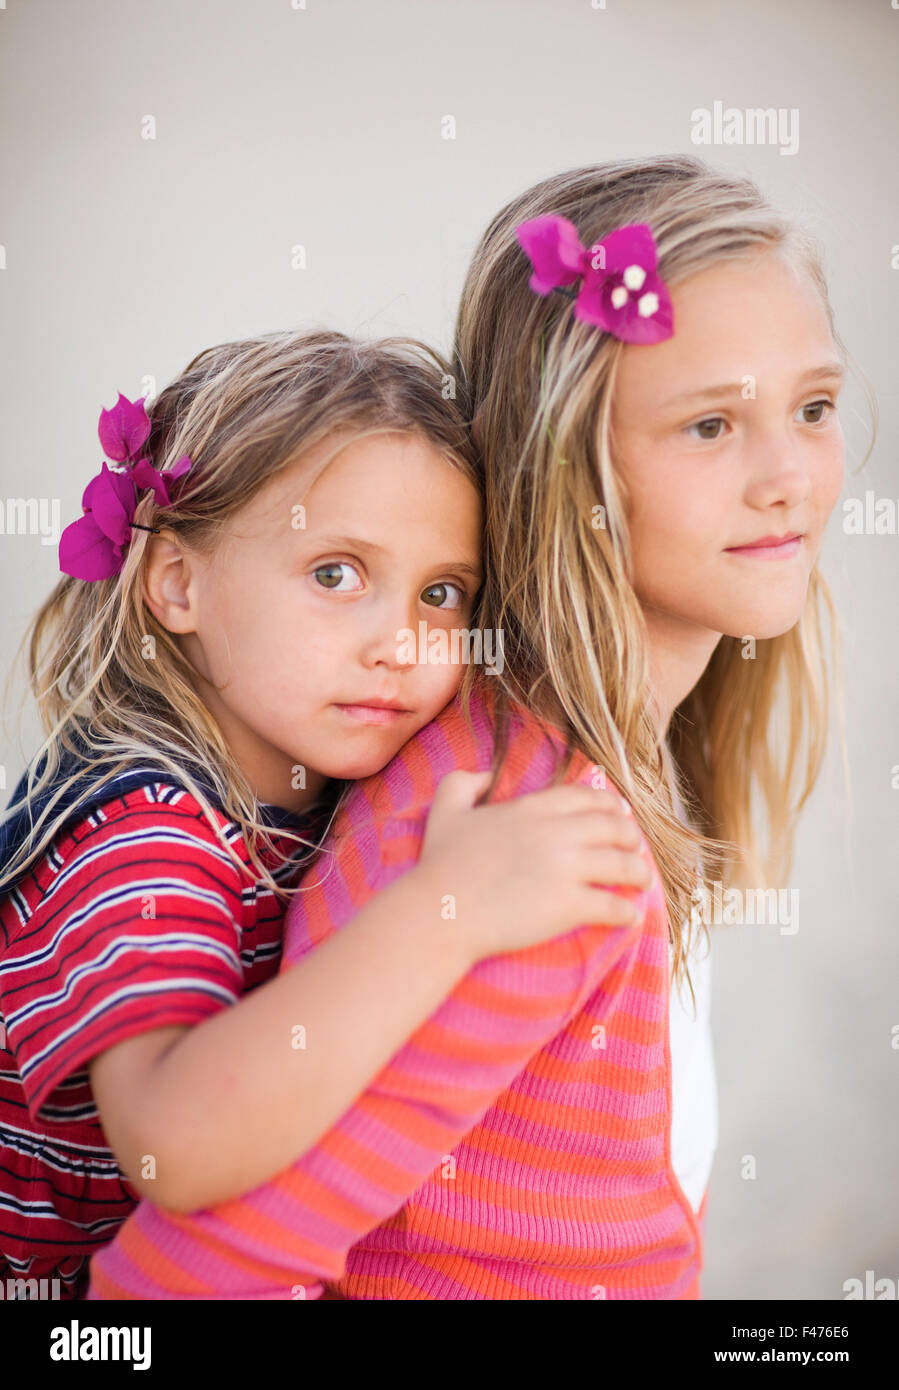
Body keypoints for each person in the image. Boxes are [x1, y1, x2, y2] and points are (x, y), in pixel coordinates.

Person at [87, 154, 852, 1300]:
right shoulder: (519, 829)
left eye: (813, 407)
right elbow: (208, 1256)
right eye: (707, 425)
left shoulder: (583, 786)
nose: (787, 473)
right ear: (567, 467)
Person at [0, 328, 648, 1300]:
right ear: (176, 581)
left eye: (440, 593)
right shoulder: (140, 834)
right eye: (335, 573)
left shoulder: (311, 784)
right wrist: (446, 910)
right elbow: (174, 1148)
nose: (399, 641)